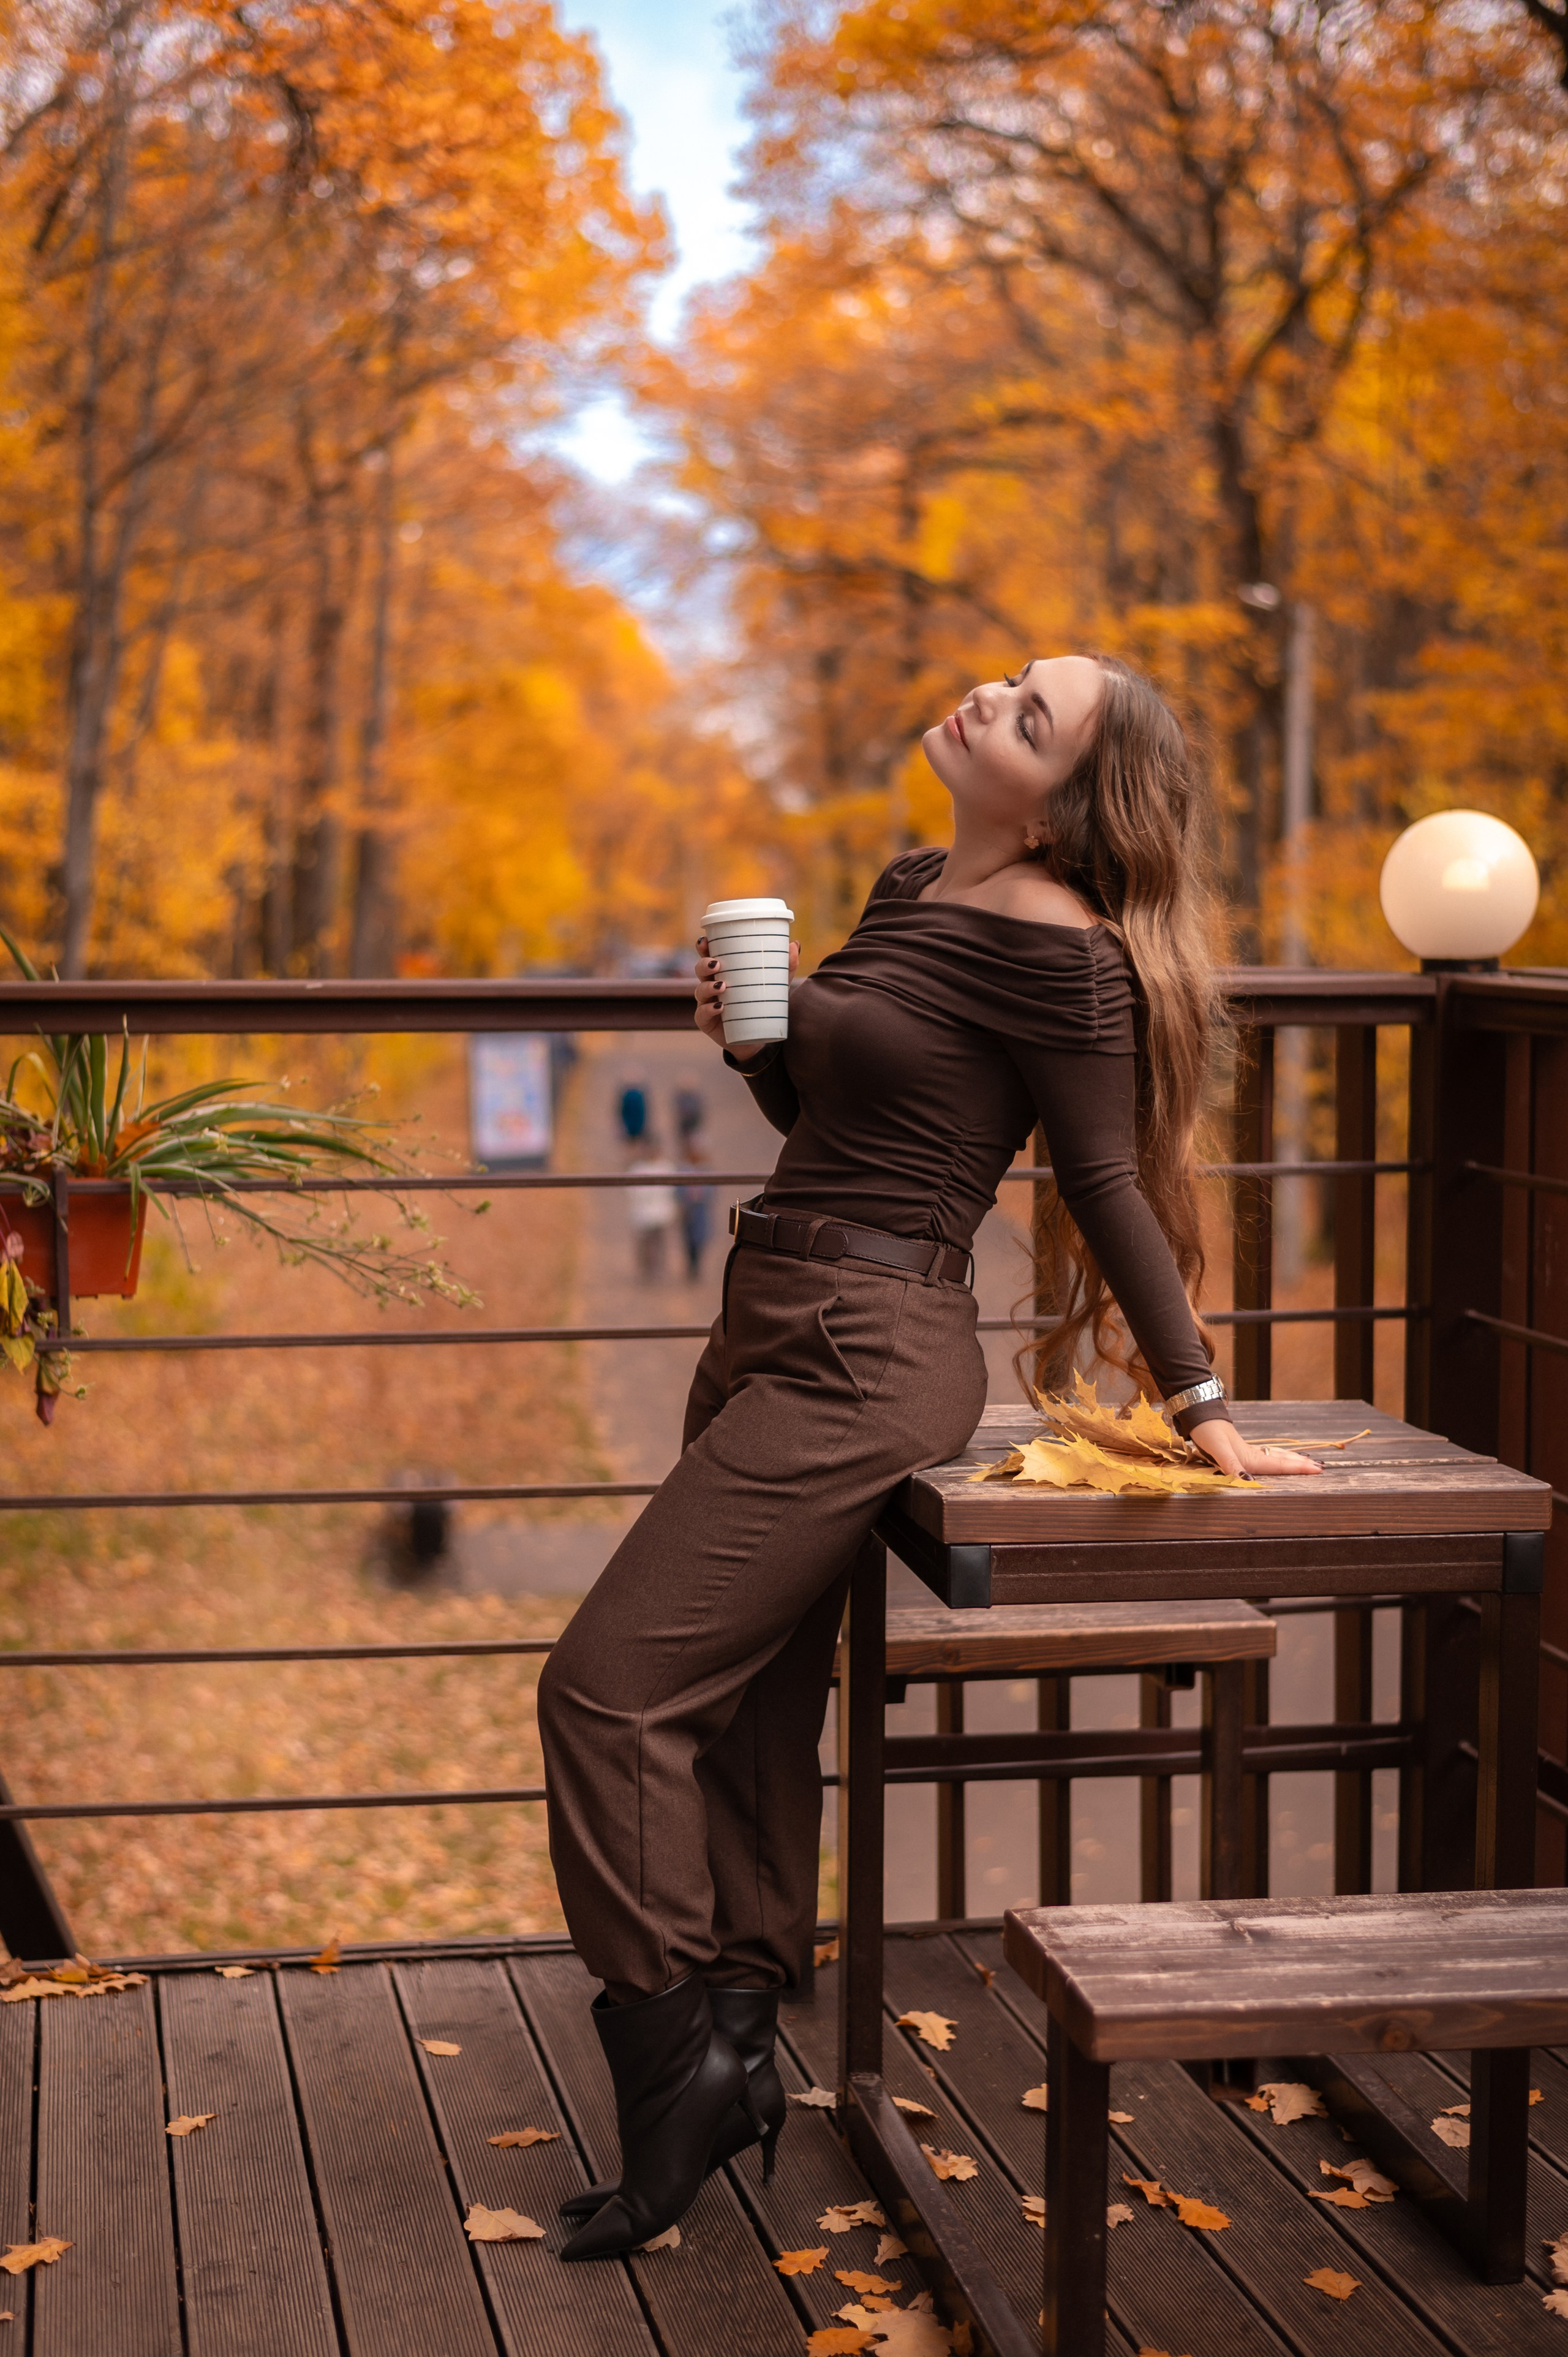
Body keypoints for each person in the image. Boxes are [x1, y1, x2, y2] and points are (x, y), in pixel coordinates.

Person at [537, 653, 1321, 2261]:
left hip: (870, 1347)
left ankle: (669, 2055)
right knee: (752, 1702)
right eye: (1009, 681)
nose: (985, 700)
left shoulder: (1073, 959)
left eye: (1030, 719)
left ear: (1072, 803)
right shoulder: (906, 885)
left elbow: (1105, 1178)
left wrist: (1204, 1403)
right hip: (768, 1307)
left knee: (605, 1689)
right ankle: (746, 2037)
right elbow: (841, 1111)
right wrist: (753, 1045)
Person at [624, 1131, 679, 1282]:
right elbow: (632, 1191)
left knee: (660, 1245)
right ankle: (646, 1272)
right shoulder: (638, 1169)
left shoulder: (667, 1167)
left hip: (661, 1214)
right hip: (644, 1215)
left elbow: (671, 1191)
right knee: (645, 1247)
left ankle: (658, 1272)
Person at [673, 1086, 712, 1281]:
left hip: (701, 1212)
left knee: (700, 1241)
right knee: (688, 1241)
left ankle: (696, 1267)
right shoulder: (683, 1169)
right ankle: (691, 1267)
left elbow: (712, 1192)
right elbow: (678, 1190)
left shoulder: (705, 1171)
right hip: (688, 1212)